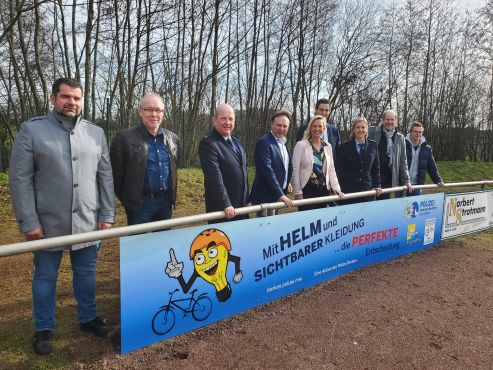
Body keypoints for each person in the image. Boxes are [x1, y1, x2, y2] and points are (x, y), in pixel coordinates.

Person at [9, 78, 115, 355]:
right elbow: (19, 179)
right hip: (46, 223)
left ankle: (88, 318)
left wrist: (107, 213)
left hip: (88, 222)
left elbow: (105, 176)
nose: (72, 102)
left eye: (77, 98)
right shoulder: (32, 131)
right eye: (66, 96)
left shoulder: (96, 133)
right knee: (45, 276)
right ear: (53, 98)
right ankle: (43, 327)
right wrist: (29, 221)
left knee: (86, 273)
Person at [110, 93, 179, 225]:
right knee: (138, 243)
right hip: (140, 205)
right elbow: (116, 175)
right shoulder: (125, 138)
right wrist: (129, 200)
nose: (154, 114)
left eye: (158, 110)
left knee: (163, 243)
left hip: (165, 203)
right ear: (140, 112)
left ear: (163, 113)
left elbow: (174, 169)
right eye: (149, 109)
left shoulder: (173, 139)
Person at [199, 104, 248, 223]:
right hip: (223, 210)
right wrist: (225, 203)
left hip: (241, 207)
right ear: (214, 120)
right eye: (223, 118)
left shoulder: (237, 142)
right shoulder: (209, 144)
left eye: (231, 119)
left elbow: (243, 171)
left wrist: (246, 198)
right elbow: (213, 176)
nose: (228, 122)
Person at [292, 115, 343, 211]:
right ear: (310, 128)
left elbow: (331, 169)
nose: (317, 129)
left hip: (323, 189)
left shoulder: (328, 146)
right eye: (314, 126)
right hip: (306, 190)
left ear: (324, 128)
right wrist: (298, 192)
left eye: (320, 126)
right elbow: (295, 170)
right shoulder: (301, 145)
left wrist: (336, 188)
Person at [250, 110, 293, 216]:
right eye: (278, 125)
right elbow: (266, 170)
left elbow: (283, 166)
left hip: (278, 194)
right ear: (271, 124)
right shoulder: (264, 142)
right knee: (265, 229)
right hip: (265, 196)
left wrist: (286, 182)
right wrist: (280, 194)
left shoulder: (283, 143)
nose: (281, 129)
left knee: (274, 228)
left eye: (285, 126)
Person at [335, 117, 382, 204]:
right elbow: (339, 170)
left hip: (367, 191)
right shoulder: (344, 147)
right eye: (357, 127)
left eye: (363, 127)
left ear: (367, 129)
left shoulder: (373, 145)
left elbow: (376, 168)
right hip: (348, 192)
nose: (360, 130)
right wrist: (337, 188)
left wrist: (377, 185)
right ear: (353, 130)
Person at [368, 109, 413, 199]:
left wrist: (406, 180)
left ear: (396, 121)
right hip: (374, 178)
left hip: (391, 178)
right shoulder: (371, 132)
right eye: (387, 119)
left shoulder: (400, 137)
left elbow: (403, 161)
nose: (390, 122)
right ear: (382, 120)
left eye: (392, 119)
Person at [405, 121, 444, 196]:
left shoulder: (427, 148)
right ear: (410, 132)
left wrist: (437, 180)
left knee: (415, 207)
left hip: (417, 184)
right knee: (400, 206)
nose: (418, 134)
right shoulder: (402, 144)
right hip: (403, 184)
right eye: (415, 131)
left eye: (420, 132)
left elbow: (431, 166)